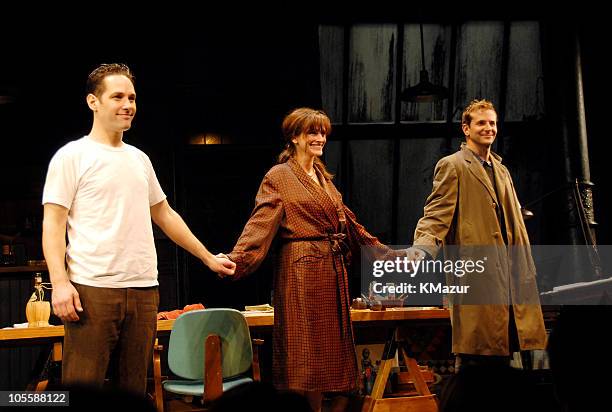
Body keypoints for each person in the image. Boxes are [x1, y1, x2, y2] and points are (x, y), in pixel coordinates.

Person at [42, 63, 235, 395]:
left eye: (131, 97)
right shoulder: (71, 156)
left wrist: (207, 258)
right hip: (93, 288)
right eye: (117, 96)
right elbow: (53, 223)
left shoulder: (138, 159)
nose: (127, 104)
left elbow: (165, 214)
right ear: (93, 102)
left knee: (133, 391)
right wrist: (59, 283)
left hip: (144, 288)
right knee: (83, 387)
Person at [222, 108, 396, 412]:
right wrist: (238, 259)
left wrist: (388, 254)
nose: (320, 138)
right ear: (294, 137)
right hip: (301, 270)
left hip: (330, 270)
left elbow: (351, 225)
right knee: (305, 357)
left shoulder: (324, 179)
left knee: (326, 361)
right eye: (312, 133)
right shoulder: (279, 176)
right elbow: (261, 223)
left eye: (323, 133)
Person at [408, 99, 547, 369]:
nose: (488, 128)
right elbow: (436, 213)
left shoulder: (502, 170)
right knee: (475, 352)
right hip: (478, 273)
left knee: (504, 352)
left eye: (492, 123)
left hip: (510, 273)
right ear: (466, 128)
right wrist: (422, 248)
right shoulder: (453, 165)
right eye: (481, 123)